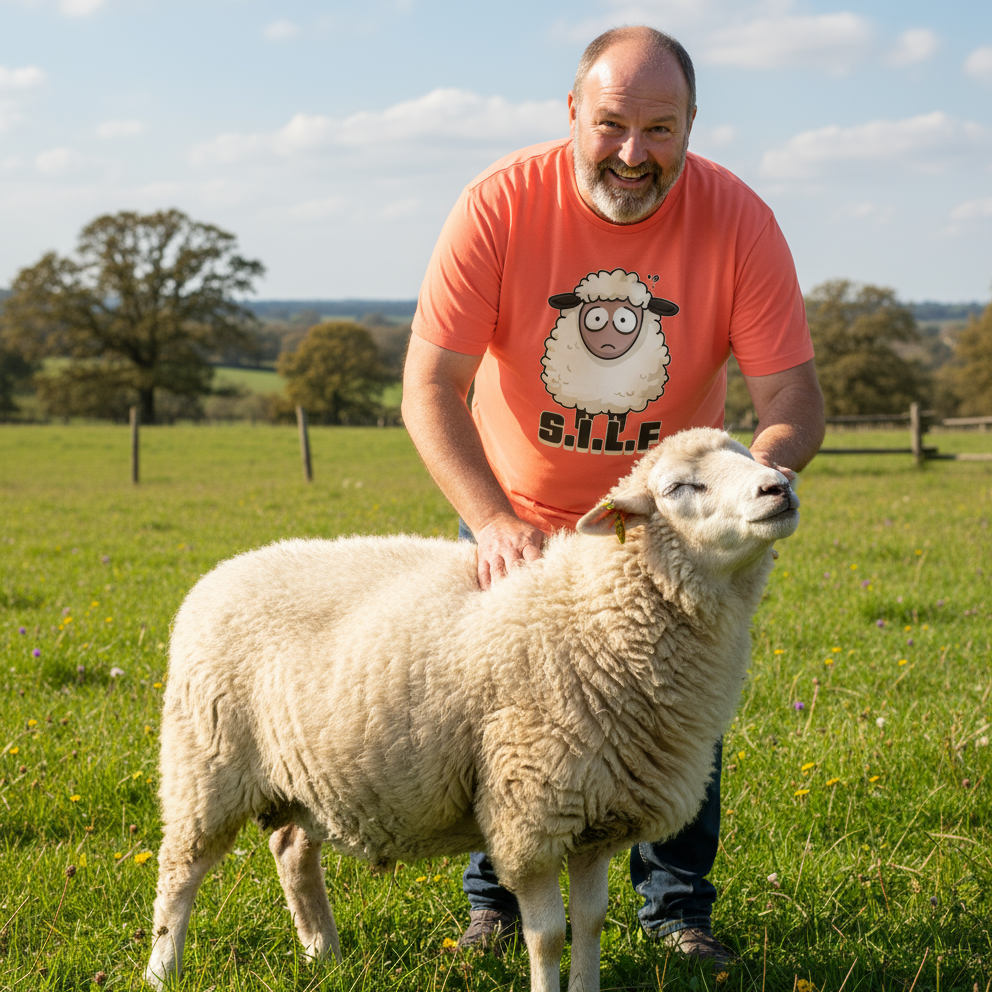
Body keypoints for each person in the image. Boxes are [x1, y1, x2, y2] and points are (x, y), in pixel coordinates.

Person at [401, 25, 825, 967]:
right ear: (572, 117)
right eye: (613, 126)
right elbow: (429, 387)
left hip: (667, 525)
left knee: (678, 690)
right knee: (508, 715)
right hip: (517, 506)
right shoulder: (502, 205)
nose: (635, 154)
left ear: (691, 125)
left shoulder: (738, 220)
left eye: (662, 129)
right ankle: (498, 904)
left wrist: (762, 470)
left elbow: (791, 394)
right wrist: (491, 519)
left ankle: (677, 910)